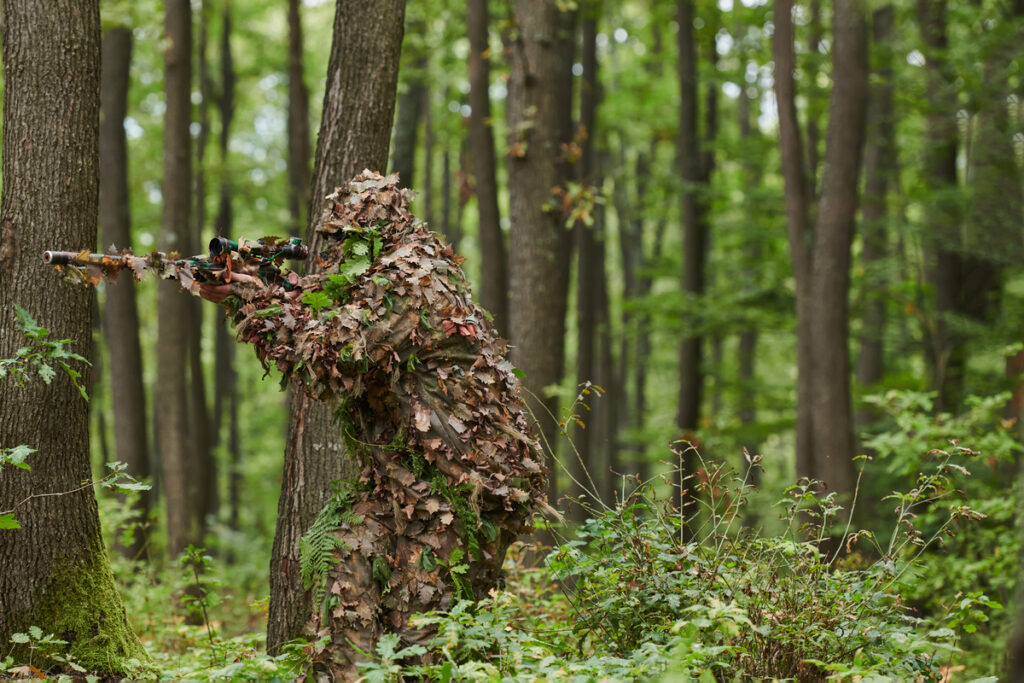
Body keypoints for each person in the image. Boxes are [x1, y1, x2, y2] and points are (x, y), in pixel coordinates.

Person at [199, 171, 548, 676]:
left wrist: (253, 303)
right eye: (332, 239)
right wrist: (254, 287)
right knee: (345, 557)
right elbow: (321, 309)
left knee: (424, 634)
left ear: (378, 235)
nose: (334, 252)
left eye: (346, 240)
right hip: (408, 483)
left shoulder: (412, 278)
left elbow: (332, 355)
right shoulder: (380, 276)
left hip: (469, 488)